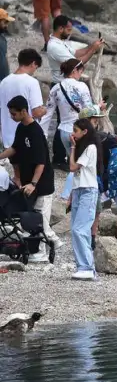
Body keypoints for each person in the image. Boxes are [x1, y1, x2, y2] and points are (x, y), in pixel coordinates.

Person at [1, 94, 54, 261]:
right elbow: (15, 148)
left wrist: (33, 183)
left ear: (24, 111)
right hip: (27, 181)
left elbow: (41, 162)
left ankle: (44, 252)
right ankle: (35, 247)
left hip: (41, 182)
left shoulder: (36, 132)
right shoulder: (21, 128)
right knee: (29, 216)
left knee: (41, 217)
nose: (12, 117)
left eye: (14, 114)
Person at [46, 56, 96, 170]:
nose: (81, 75)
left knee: (73, 162)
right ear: (74, 71)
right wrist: (99, 107)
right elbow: (88, 110)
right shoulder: (82, 86)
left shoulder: (56, 88)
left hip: (63, 131)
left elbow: (48, 114)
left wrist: (42, 134)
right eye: (80, 71)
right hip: (80, 132)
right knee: (83, 166)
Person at [64, 117, 97, 280]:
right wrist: (70, 195)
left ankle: (87, 266)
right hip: (78, 190)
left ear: (84, 131)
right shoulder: (82, 148)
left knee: (80, 228)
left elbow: (72, 167)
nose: (73, 134)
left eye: (75, 131)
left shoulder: (90, 148)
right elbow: (75, 175)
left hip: (88, 190)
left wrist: (72, 147)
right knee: (75, 229)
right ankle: (82, 265)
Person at [0, 49, 47, 152]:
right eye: (36, 67)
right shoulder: (31, 82)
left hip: (8, 138)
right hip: (26, 138)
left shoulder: (4, 82)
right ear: (33, 63)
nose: (34, 70)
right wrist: (45, 110)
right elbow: (36, 112)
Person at [45, 15, 103, 82]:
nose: (70, 33)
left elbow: (76, 53)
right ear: (60, 29)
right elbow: (75, 64)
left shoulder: (60, 41)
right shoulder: (55, 46)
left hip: (67, 82)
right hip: (61, 84)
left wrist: (93, 45)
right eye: (68, 30)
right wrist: (93, 50)